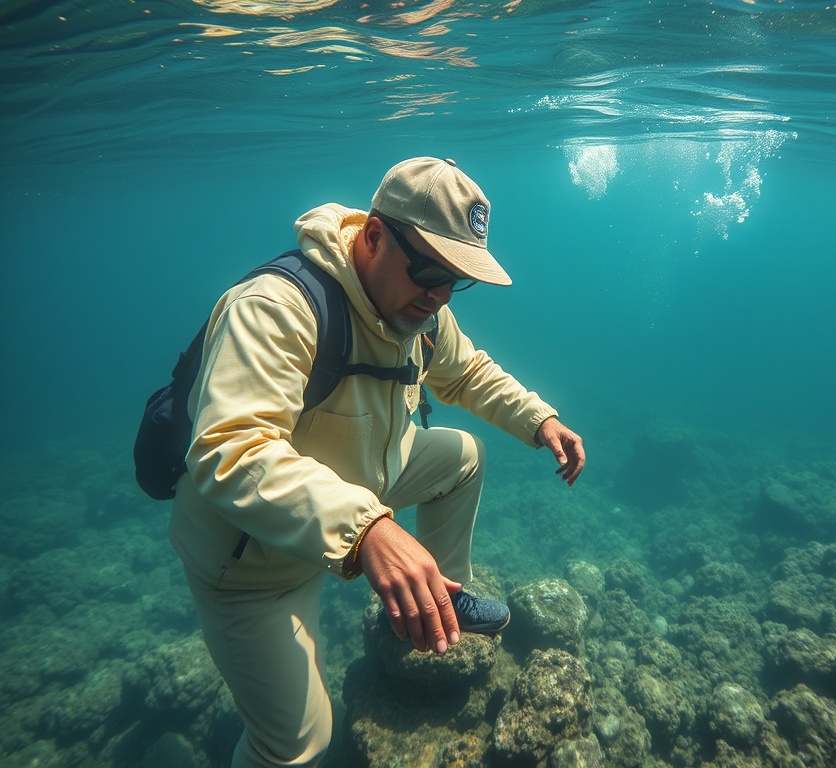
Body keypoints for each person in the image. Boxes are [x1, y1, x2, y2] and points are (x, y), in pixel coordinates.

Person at [169, 156, 585, 767]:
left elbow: (466, 371)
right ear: (373, 236)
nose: (440, 295)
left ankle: (431, 603)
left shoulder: (421, 312)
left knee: (461, 456)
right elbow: (231, 450)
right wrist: (367, 530)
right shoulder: (274, 308)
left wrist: (539, 418)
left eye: (456, 279)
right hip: (252, 565)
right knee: (298, 743)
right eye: (429, 271)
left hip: (350, 496)